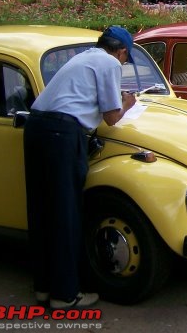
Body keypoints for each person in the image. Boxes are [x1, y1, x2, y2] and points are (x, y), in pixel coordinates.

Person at [23, 26, 137, 309]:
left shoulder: (83, 57)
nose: (123, 62)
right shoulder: (110, 63)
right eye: (126, 58)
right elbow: (111, 117)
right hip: (62, 133)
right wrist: (127, 102)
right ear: (122, 51)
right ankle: (65, 294)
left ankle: (43, 288)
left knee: (41, 211)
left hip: (36, 127)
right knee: (65, 213)